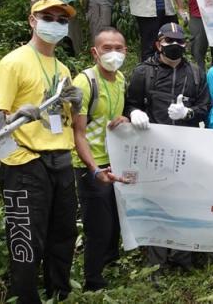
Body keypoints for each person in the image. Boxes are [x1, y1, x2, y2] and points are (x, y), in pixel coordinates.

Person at [0, 0, 83, 303]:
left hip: (61, 159)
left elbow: (67, 117)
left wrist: (76, 104)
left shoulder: (62, 67)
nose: (55, 23)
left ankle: (60, 294)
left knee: (63, 235)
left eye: (61, 20)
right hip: (25, 162)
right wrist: (13, 118)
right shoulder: (12, 63)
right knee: (26, 239)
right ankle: (25, 298)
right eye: (48, 17)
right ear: (32, 20)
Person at [124, 22, 211, 273]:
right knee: (156, 203)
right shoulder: (143, 72)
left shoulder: (196, 73)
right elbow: (129, 104)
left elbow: (205, 108)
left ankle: (183, 257)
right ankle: (157, 262)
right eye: (168, 41)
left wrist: (188, 113)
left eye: (179, 42)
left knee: (186, 201)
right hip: (154, 148)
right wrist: (135, 112)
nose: (174, 46)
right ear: (158, 43)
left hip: (186, 147)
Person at [71, 27, 129, 291]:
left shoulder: (120, 80)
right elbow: (78, 132)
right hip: (89, 165)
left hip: (113, 160)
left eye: (119, 48)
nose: (113, 53)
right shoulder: (85, 82)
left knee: (115, 220)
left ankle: (109, 262)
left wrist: (125, 119)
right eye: (107, 48)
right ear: (95, 52)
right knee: (98, 226)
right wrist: (94, 169)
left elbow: (112, 121)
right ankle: (92, 280)